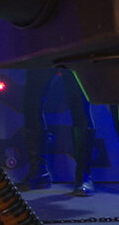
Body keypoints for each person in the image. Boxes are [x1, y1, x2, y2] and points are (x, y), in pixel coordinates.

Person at [17, 68, 96, 196]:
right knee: (31, 103)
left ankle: (84, 176)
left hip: (72, 57)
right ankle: (39, 173)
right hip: (41, 56)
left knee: (79, 104)